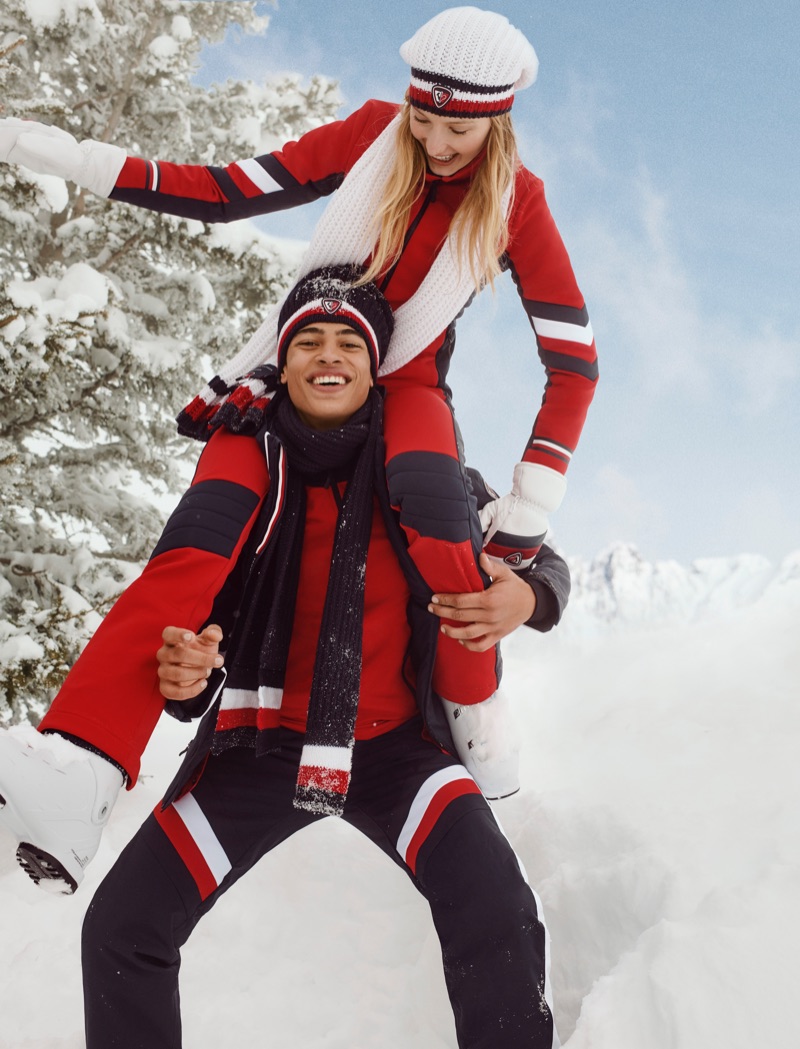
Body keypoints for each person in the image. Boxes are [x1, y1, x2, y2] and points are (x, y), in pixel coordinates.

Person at [0, 6, 596, 706]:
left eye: (458, 130)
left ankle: (473, 718)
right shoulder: (371, 135)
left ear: (496, 121)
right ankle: (88, 742)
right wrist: (83, 162)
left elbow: (574, 363)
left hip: (408, 386)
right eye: (422, 119)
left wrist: (529, 506)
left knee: (435, 501)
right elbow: (225, 192)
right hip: (303, 368)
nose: (435, 143)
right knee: (204, 525)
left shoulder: (518, 203)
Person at [75, 267, 564, 1049]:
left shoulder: (433, 478)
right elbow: (197, 640)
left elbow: (542, 563)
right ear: (284, 361)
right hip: (261, 748)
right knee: (121, 927)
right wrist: (185, 676)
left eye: (349, 342)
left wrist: (529, 598)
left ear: (375, 368)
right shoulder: (249, 480)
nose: (329, 354)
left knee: (497, 907)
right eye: (309, 340)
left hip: (398, 752)